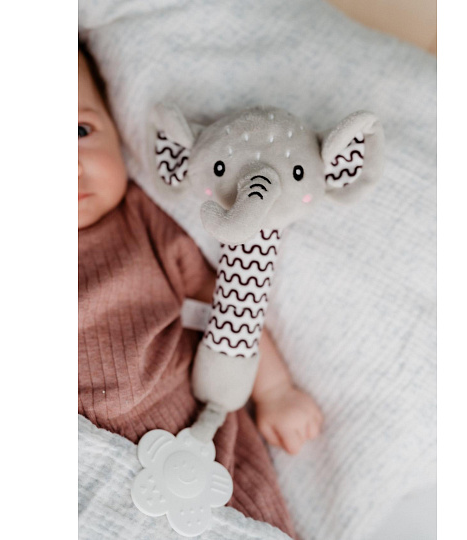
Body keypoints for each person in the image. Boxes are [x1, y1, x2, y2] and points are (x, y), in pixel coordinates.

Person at [78, 44, 323, 537]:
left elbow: (227, 304)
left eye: (79, 131)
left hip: (195, 439)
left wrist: (275, 390)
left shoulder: (140, 219)